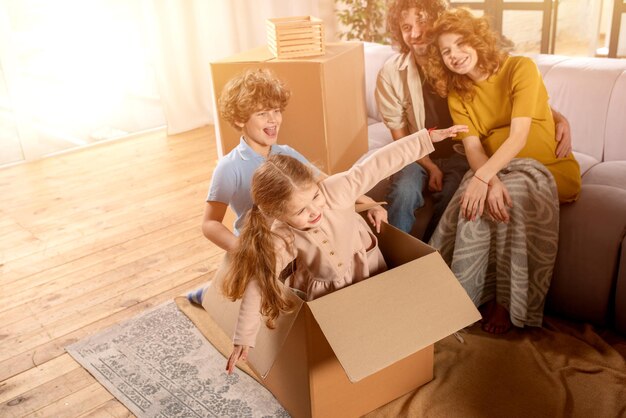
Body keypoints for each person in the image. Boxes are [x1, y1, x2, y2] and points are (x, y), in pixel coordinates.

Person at [223, 124, 468, 374]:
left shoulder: (336, 190)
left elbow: (380, 163)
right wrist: (244, 337)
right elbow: (259, 281)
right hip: (328, 290)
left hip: (369, 268)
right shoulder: (282, 236)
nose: (315, 211)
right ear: (278, 215)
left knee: (381, 314)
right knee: (341, 340)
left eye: (314, 197)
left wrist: (425, 139)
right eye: (300, 211)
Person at [424, 8, 582, 334]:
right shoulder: (458, 93)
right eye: (446, 51)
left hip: (547, 167)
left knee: (508, 195)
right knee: (470, 199)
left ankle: (505, 303)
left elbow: (519, 135)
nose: (454, 56)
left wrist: (484, 178)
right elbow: (473, 149)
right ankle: (460, 293)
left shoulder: (519, 68)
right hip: (500, 166)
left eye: (460, 44)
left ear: (477, 40)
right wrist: (488, 181)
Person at [375, 0, 573, 242]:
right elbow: (401, 138)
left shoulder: (464, 65)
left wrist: (558, 117)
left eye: (423, 22)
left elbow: (509, 93)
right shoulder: (395, 74)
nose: (415, 34)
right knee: (404, 189)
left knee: (455, 196)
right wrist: (430, 166)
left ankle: (431, 257)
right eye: (406, 27)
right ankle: (390, 255)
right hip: (419, 153)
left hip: (460, 153)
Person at [201, 68, 387, 253]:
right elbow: (210, 223)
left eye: (276, 110)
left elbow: (327, 182)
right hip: (261, 250)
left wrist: (370, 203)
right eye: (262, 113)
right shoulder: (229, 167)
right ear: (240, 120)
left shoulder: (287, 152)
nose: (273, 119)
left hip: (295, 242)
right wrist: (243, 251)